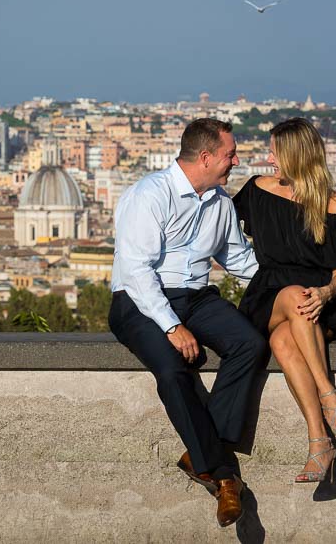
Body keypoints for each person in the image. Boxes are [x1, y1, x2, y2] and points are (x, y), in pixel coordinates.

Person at [108, 118, 265, 528]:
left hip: (197, 298)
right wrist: (172, 327)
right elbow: (137, 270)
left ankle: (199, 455)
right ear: (207, 156)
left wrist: (288, 289)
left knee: (250, 343)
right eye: (230, 154)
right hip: (140, 302)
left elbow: (241, 263)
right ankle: (224, 475)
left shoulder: (220, 203)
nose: (236, 161)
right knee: (173, 370)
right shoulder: (150, 195)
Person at [232, 117, 336, 484]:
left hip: (316, 303)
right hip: (268, 295)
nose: (268, 157)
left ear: (296, 155)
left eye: (275, 150)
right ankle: (330, 397)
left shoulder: (331, 206)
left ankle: (319, 443)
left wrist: (327, 292)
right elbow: (218, 227)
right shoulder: (257, 190)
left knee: (283, 340)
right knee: (297, 298)